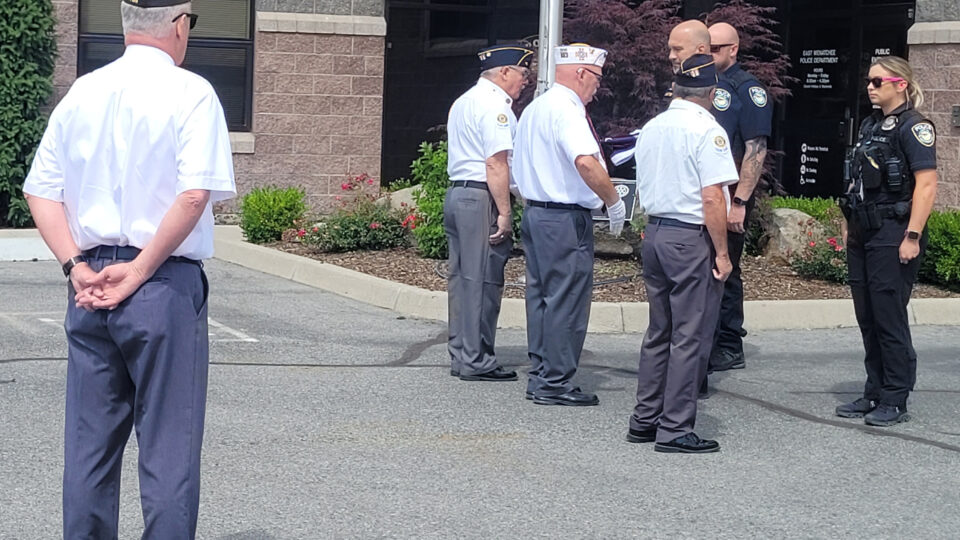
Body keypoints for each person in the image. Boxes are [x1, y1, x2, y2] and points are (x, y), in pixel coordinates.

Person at [23, 0, 236, 536]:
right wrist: (140, 270)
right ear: (179, 24)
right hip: (160, 281)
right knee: (168, 451)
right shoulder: (191, 92)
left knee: (89, 450)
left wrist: (74, 264)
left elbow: (39, 190)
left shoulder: (83, 92)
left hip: (89, 284)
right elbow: (193, 196)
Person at [627, 54, 737, 453]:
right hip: (690, 238)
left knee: (660, 331)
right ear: (712, 93)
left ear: (675, 89)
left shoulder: (652, 127)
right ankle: (674, 428)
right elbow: (712, 197)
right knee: (691, 335)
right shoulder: (708, 131)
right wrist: (722, 253)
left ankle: (645, 418)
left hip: (656, 232)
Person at [513, 43, 626, 406]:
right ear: (580, 73)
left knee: (542, 297)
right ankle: (555, 382)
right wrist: (613, 200)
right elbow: (586, 163)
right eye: (596, 78)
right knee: (567, 299)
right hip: (563, 218)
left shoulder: (536, 107)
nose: (598, 86)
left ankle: (542, 373)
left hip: (536, 213)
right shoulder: (567, 110)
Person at [836, 56, 937, 427]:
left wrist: (912, 235)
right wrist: (848, 222)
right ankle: (874, 390)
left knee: (888, 315)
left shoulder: (915, 127)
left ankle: (895, 397)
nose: (870, 87)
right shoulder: (869, 124)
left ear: (900, 84)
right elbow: (858, 178)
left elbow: (926, 185)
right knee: (867, 316)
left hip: (894, 232)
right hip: (864, 230)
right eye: (868, 81)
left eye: (878, 81)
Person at [445, 44, 534, 382]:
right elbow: (497, 163)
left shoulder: (464, 101)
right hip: (482, 198)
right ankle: (477, 358)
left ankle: (461, 352)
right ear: (505, 73)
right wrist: (506, 211)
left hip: (458, 193)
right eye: (523, 74)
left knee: (462, 280)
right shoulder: (497, 108)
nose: (525, 81)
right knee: (483, 279)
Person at [705, 22, 773, 374]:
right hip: (706, 194)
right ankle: (708, 339)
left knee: (725, 270)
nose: (709, 53)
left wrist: (741, 201)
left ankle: (729, 344)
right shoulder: (702, 85)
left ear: (734, 49)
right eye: (706, 47)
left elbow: (755, 149)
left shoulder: (748, 90)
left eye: (716, 48)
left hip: (730, 196)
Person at [662, 20, 711, 103]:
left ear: (700, 50)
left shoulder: (717, 89)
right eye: (670, 49)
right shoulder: (676, 83)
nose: (671, 56)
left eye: (678, 49)